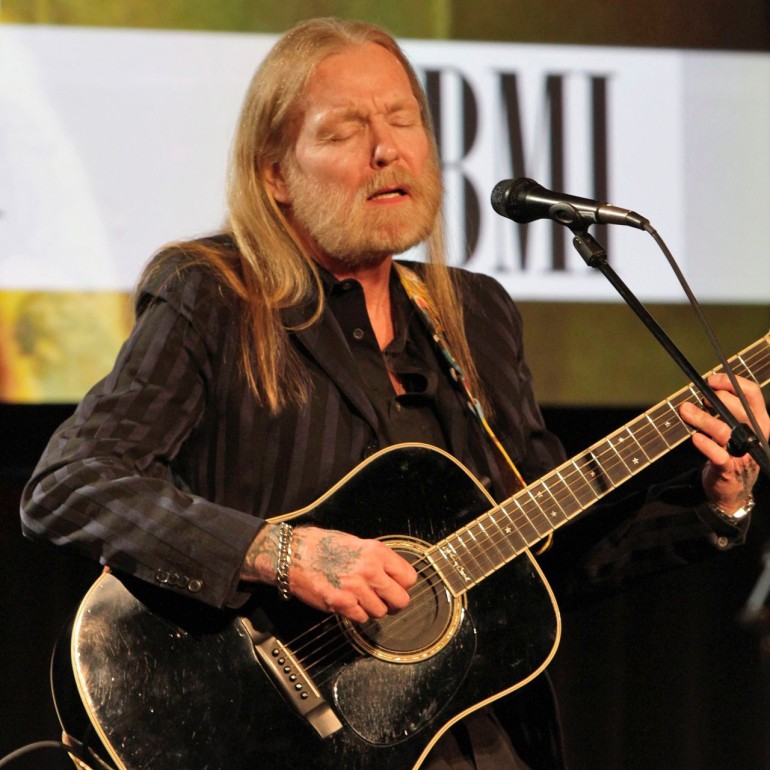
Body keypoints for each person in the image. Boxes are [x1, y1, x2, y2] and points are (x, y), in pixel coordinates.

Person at [20, 17, 768, 770]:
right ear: (275, 173)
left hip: (477, 745)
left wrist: (716, 499)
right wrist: (285, 553)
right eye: (345, 130)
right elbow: (71, 483)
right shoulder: (215, 296)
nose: (388, 149)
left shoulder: (473, 314)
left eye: (403, 118)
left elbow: (547, 562)